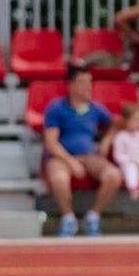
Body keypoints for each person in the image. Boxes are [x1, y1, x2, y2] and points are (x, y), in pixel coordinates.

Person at [41, 63, 119, 237]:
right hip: (61, 157)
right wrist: (70, 161)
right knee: (59, 177)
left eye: (89, 82)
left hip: (89, 156)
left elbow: (115, 124)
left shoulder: (96, 108)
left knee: (113, 175)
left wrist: (106, 141)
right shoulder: (56, 108)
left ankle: (93, 216)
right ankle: (68, 218)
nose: (87, 87)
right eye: (83, 82)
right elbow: (51, 142)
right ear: (71, 85)